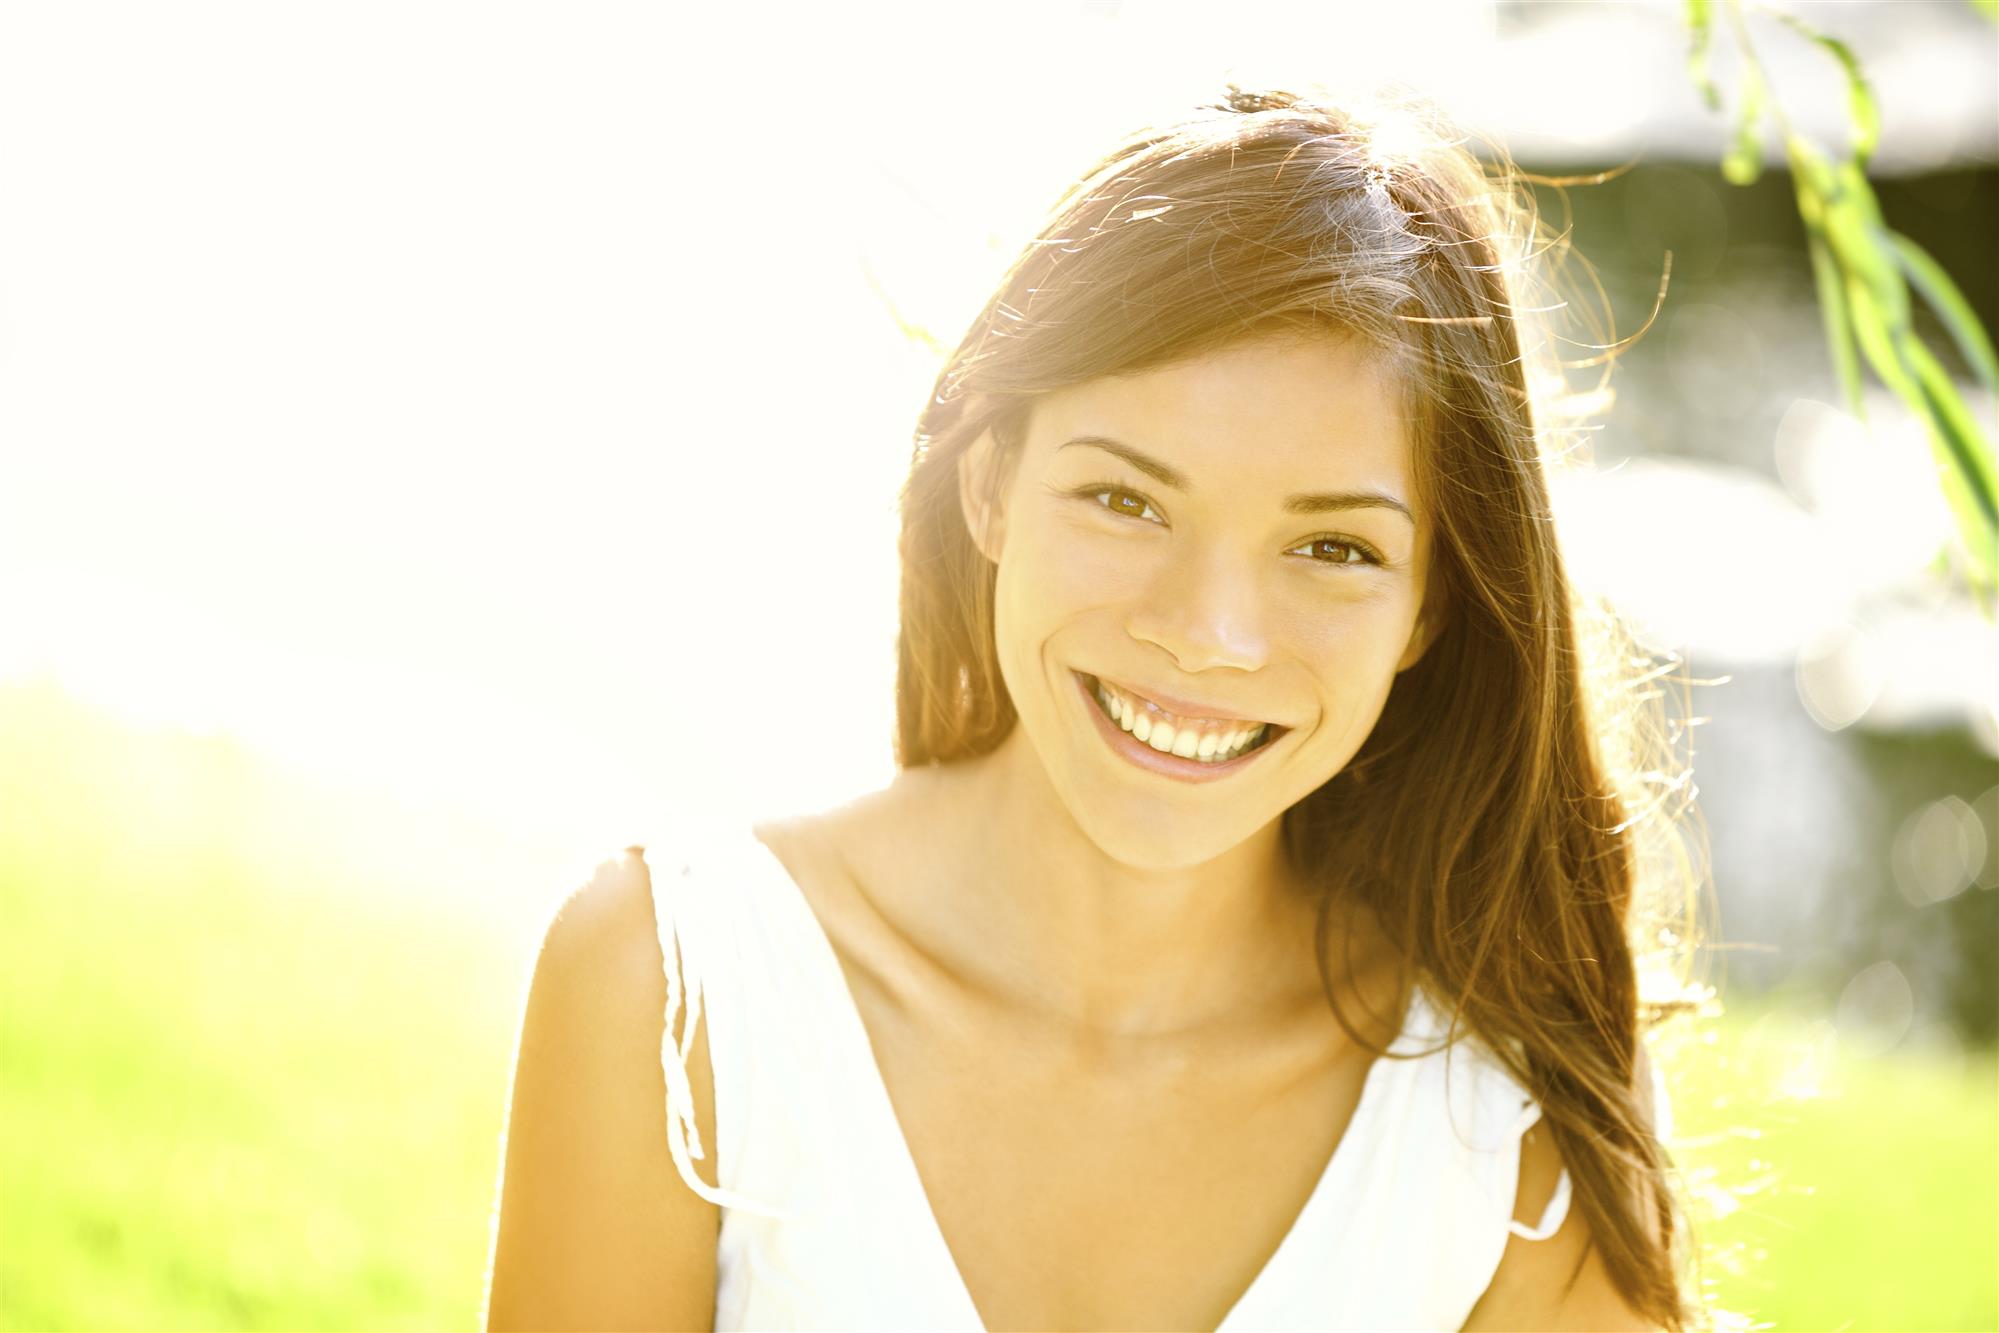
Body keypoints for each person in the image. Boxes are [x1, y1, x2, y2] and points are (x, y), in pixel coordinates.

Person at [484, 86, 1704, 1332]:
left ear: (1431, 610)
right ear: (990, 488)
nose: (1206, 636)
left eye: (1332, 548)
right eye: (1126, 501)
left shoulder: (1515, 1113)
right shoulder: (674, 981)